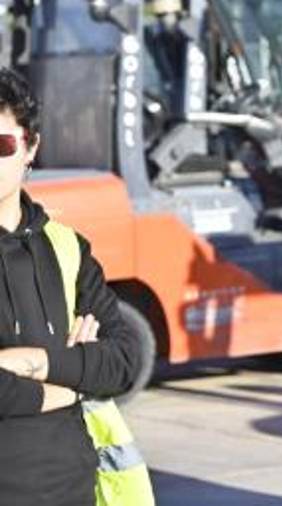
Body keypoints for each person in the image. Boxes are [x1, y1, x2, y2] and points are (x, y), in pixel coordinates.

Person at [0, 67, 146, 505]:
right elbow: (98, 369)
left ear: (31, 149)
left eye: (1, 145)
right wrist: (75, 377)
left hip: (72, 490)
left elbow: (124, 361)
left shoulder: (67, 248)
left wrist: (31, 360)